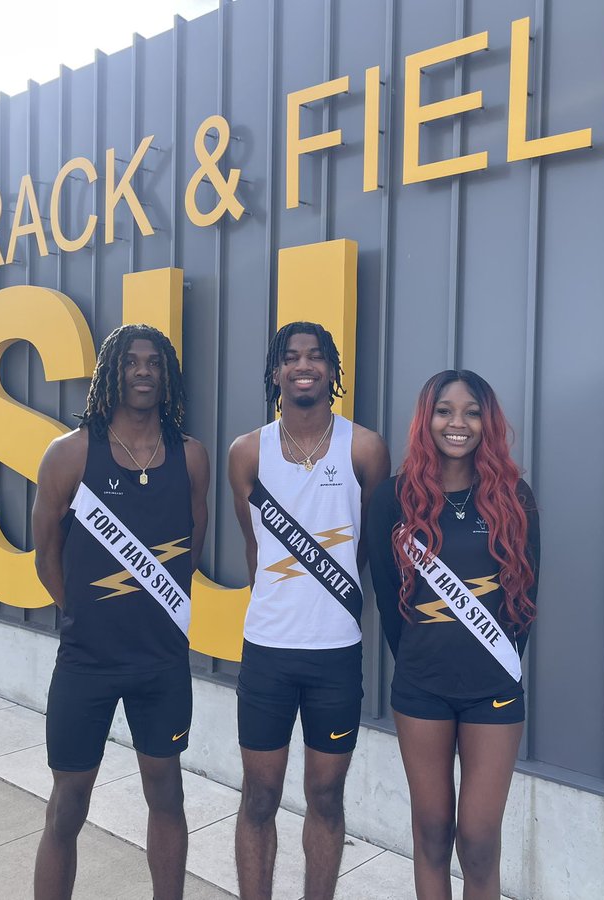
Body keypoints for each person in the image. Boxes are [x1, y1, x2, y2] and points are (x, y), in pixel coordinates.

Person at [31, 324, 209, 900]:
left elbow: (191, 548)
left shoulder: (192, 457)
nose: (142, 371)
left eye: (154, 362)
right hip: (88, 662)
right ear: (110, 372)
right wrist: (81, 613)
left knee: (167, 795)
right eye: (131, 361)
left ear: (166, 375)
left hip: (161, 663)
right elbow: (47, 556)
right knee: (68, 805)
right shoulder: (71, 453)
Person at [227, 321, 390, 900]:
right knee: (260, 796)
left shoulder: (365, 448)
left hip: (336, 655)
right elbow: (256, 549)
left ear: (331, 370)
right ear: (276, 370)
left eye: (316, 356)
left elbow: (367, 548)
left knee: (326, 797)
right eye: (291, 356)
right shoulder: (246, 453)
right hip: (268, 651)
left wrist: (326, 597)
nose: (304, 365)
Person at [368, 370, 539, 900]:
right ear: (427, 418)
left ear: (487, 423)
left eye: (471, 412)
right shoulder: (393, 499)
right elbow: (386, 599)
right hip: (422, 691)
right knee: (433, 833)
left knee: (480, 838)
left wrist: (492, 662)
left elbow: (525, 603)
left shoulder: (515, 497)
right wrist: (422, 659)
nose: (457, 423)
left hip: (493, 693)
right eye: (445, 410)